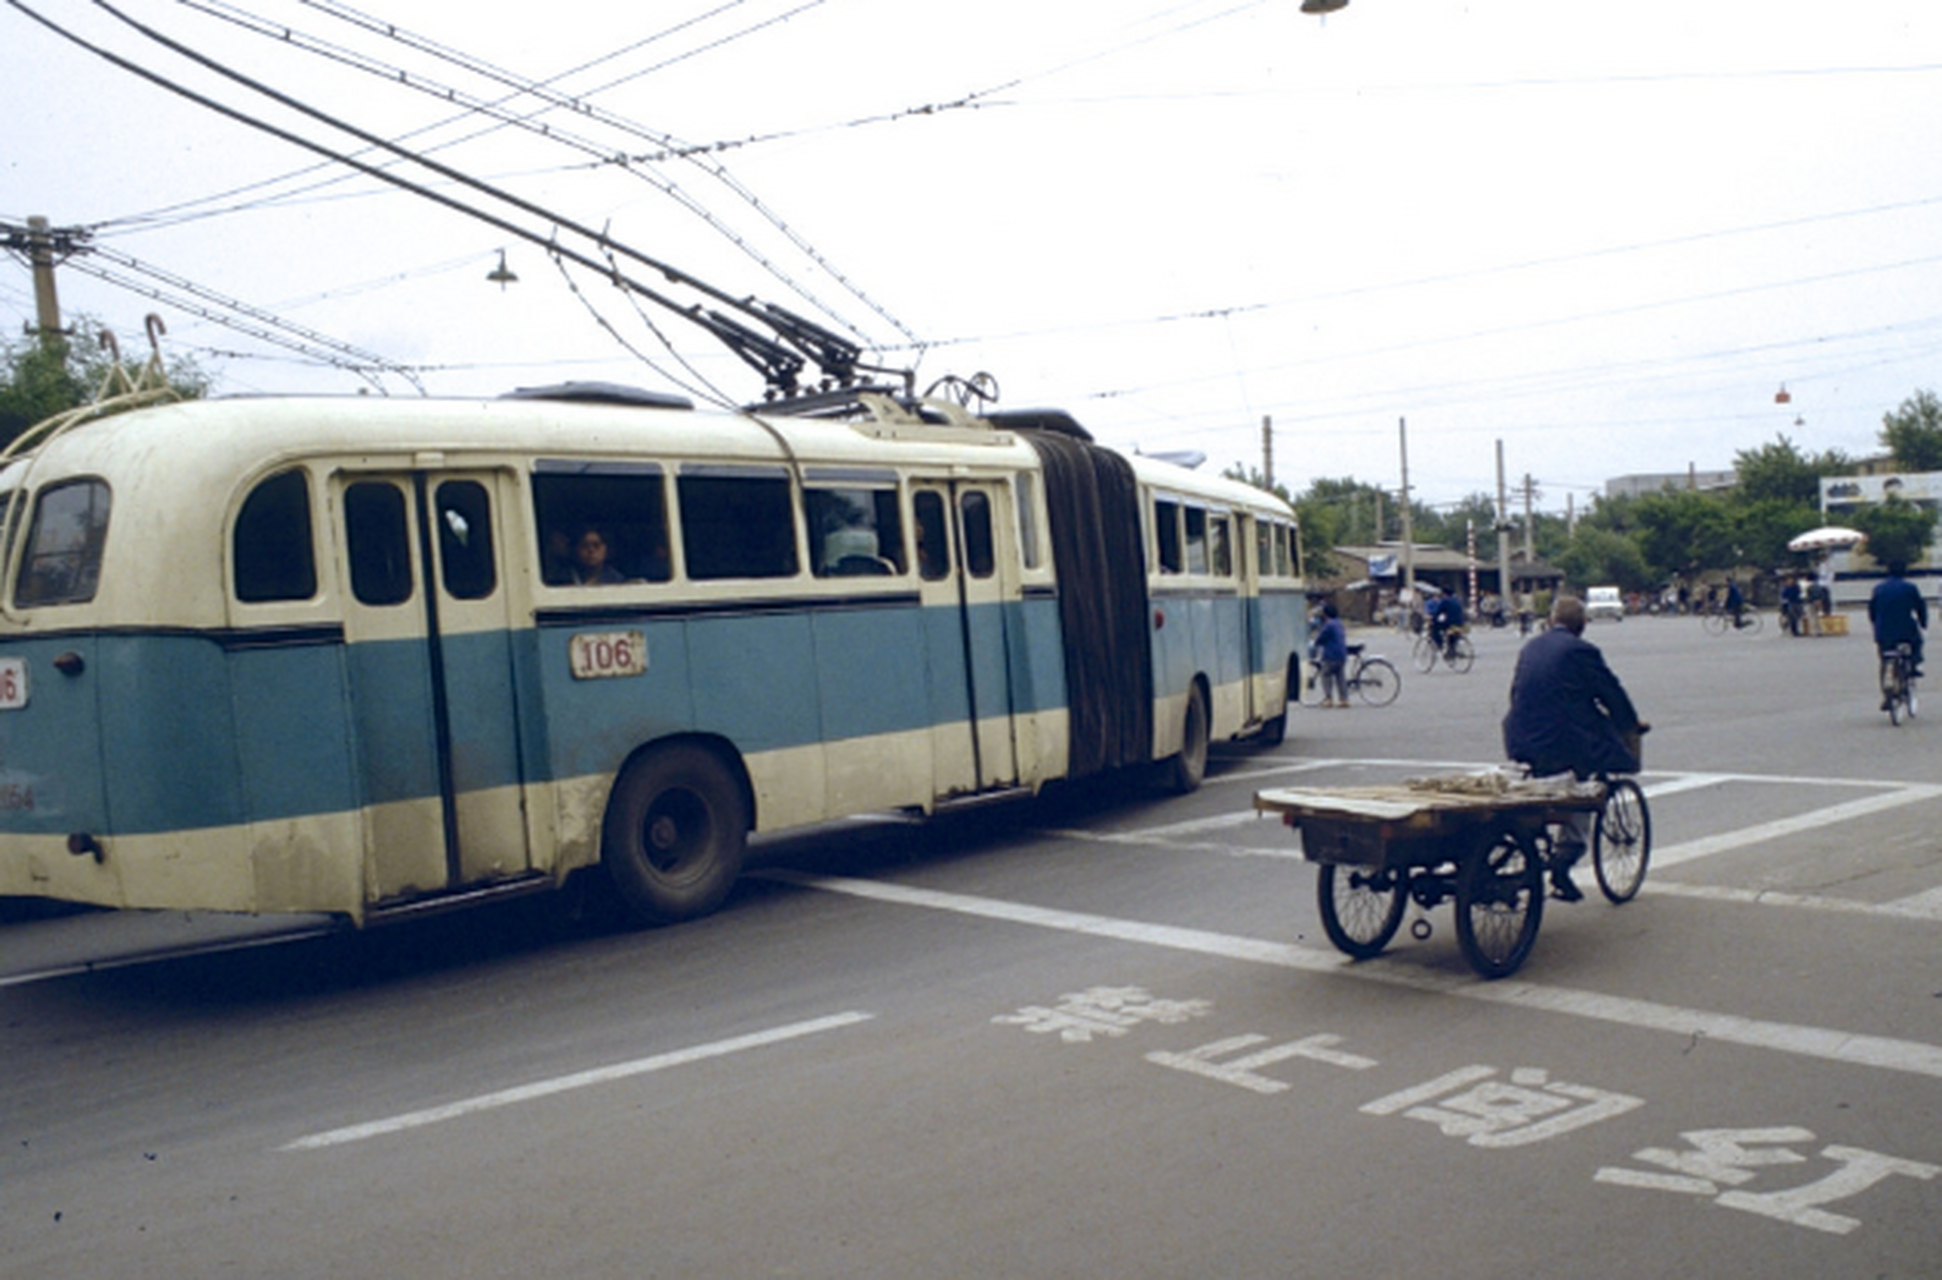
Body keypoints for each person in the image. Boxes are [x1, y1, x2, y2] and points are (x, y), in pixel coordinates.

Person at [1502, 595, 1649, 902]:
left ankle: (1527, 840)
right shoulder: (1582, 651)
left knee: (1543, 786)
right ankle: (1564, 860)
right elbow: (1611, 692)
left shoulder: (1531, 647)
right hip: (1563, 741)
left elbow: (1516, 694)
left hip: (1520, 736)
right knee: (1584, 791)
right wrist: (1631, 725)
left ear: (1552, 620)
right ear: (1581, 626)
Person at [1868, 561, 1927, 703]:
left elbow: (1872, 609)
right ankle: (1914, 664)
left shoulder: (1878, 588)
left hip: (1883, 630)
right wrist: (1923, 623)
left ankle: (1887, 690)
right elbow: (1920, 607)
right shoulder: (1910, 587)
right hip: (1905, 628)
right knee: (1917, 642)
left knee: (1885, 658)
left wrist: (1875, 624)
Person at [1315, 602, 1349, 707]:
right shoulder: (1339, 623)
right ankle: (1344, 699)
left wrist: (1316, 642)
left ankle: (1328, 699)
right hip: (1342, 654)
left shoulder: (1328, 625)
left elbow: (1320, 639)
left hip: (1331, 655)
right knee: (1340, 677)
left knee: (1325, 674)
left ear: (1326, 615)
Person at [1428, 591, 1466, 657]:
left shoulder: (1444, 601)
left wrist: (1433, 619)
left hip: (1451, 623)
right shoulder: (1457, 600)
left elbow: (1438, 612)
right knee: (1451, 635)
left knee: (1434, 629)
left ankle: (1440, 644)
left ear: (1444, 594)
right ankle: (1451, 650)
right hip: (1461, 623)